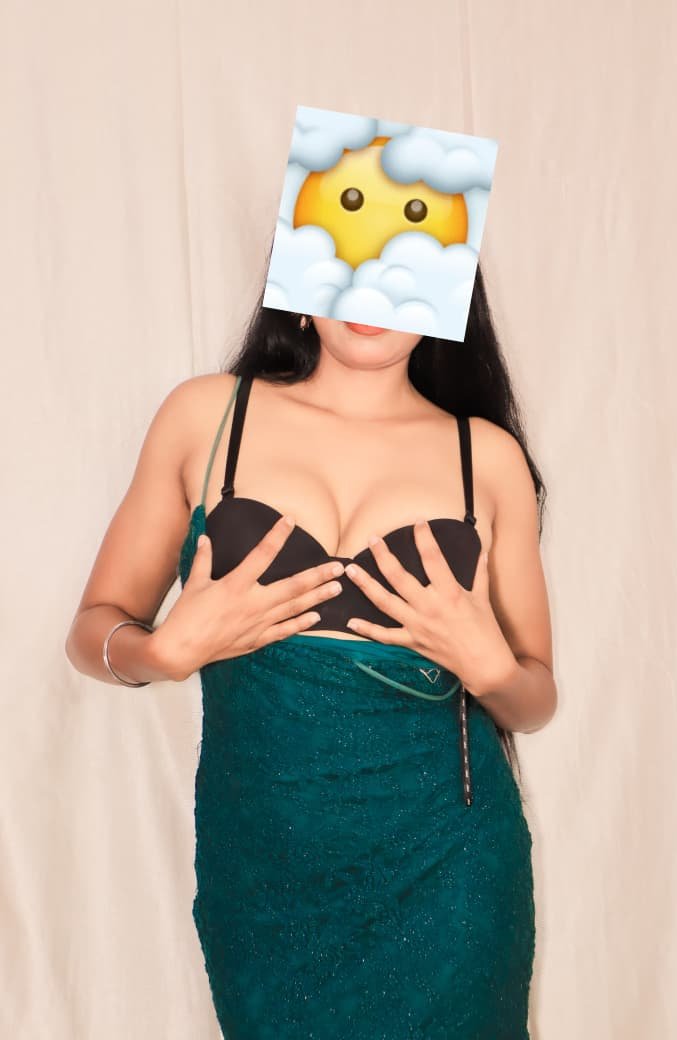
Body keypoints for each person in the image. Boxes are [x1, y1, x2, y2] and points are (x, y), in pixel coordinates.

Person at [65, 266, 556, 1038]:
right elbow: (92, 628)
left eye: (403, 267)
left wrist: (489, 664)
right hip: (265, 868)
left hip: (449, 865)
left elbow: (534, 698)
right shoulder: (206, 417)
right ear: (299, 275)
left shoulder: (485, 458)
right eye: (349, 258)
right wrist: (160, 654)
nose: (373, 292)